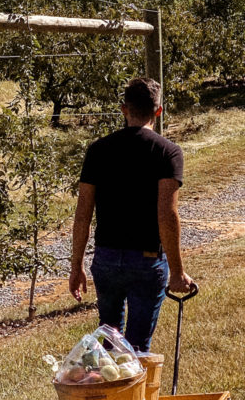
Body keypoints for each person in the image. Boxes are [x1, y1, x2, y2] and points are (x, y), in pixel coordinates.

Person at [69, 77, 195, 352]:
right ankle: (133, 394)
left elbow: (82, 214)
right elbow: (167, 215)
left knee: (109, 344)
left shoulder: (98, 150)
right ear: (158, 111)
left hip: (106, 259)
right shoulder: (168, 152)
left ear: (124, 109)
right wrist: (177, 272)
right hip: (147, 261)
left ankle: (110, 391)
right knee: (136, 349)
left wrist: (76, 264)